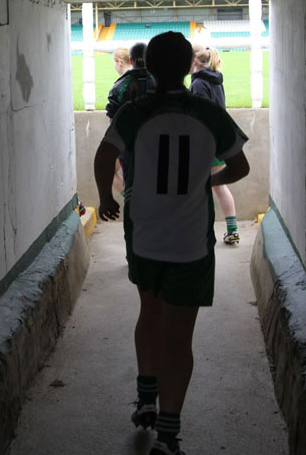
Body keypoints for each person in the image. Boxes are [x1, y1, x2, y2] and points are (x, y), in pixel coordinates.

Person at [94, 32, 249, 455]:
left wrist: (106, 197)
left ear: (149, 66)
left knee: (149, 310)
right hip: (190, 244)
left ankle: (145, 396)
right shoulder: (207, 113)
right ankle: (167, 434)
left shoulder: (135, 111)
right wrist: (207, 180)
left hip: (144, 235)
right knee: (180, 339)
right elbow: (239, 165)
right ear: (187, 67)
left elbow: (104, 155)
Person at [189, 45, 240, 244]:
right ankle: (232, 229)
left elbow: (200, 116)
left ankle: (200, 232)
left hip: (205, 143)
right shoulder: (216, 81)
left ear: (194, 61)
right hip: (219, 140)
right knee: (219, 186)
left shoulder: (199, 84)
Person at [106, 42, 155, 190]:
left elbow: (113, 123)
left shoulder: (119, 87)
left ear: (131, 61)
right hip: (158, 146)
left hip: (130, 150)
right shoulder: (162, 83)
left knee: (133, 191)